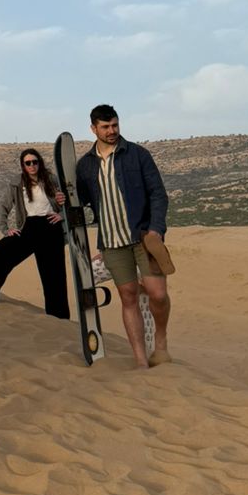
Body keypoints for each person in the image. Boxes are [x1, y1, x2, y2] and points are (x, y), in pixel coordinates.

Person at [75, 104, 171, 368]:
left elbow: (158, 195)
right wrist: (63, 198)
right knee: (128, 296)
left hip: (143, 237)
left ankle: (160, 342)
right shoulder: (84, 166)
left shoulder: (138, 155)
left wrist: (156, 229)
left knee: (157, 293)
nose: (112, 131)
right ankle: (141, 360)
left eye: (115, 125)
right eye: (105, 127)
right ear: (93, 129)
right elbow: (80, 200)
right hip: (111, 242)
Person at [0, 148, 69, 314]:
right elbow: (3, 206)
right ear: (23, 165)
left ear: (39, 163)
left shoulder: (51, 180)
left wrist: (62, 215)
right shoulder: (17, 183)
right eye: (28, 163)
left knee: (53, 277)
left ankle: (59, 318)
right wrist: (5, 230)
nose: (32, 166)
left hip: (51, 228)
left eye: (35, 162)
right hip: (30, 227)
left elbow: (69, 201)